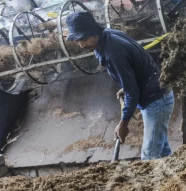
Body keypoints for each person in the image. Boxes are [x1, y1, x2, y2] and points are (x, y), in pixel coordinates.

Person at [65, 11, 175, 161]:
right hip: (154, 91)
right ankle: (172, 181)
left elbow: (133, 93)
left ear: (95, 33)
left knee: (149, 156)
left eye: (84, 39)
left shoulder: (114, 53)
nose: (81, 44)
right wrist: (128, 85)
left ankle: (153, 184)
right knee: (161, 150)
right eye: (77, 40)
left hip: (156, 100)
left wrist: (123, 124)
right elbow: (137, 65)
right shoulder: (108, 35)